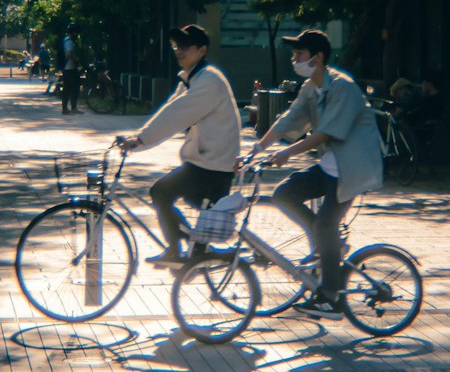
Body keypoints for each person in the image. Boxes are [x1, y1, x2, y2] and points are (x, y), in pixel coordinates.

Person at [250, 28, 384, 309]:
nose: (294, 59)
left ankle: (331, 296)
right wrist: (258, 149)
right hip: (329, 167)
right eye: (294, 54)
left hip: (351, 169)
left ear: (318, 57)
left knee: (325, 223)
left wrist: (286, 152)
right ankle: (326, 246)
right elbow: (289, 119)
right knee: (284, 194)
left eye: (300, 53)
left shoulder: (343, 87)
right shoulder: (311, 87)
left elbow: (324, 134)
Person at [117, 24, 242, 265]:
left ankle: (176, 249)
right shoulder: (192, 78)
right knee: (198, 223)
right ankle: (195, 249)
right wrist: (139, 138)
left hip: (212, 162)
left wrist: (141, 139)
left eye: (185, 46)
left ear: (202, 50)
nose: (179, 51)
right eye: (176, 46)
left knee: (161, 193)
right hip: (210, 159)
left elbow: (177, 114)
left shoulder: (209, 81)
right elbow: (169, 111)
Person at [59, 27, 81, 116]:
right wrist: (76, 62)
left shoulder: (65, 40)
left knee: (67, 88)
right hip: (70, 67)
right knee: (74, 88)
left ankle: (65, 108)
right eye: (76, 32)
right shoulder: (69, 42)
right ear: (73, 32)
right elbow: (69, 54)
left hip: (65, 67)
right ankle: (73, 108)